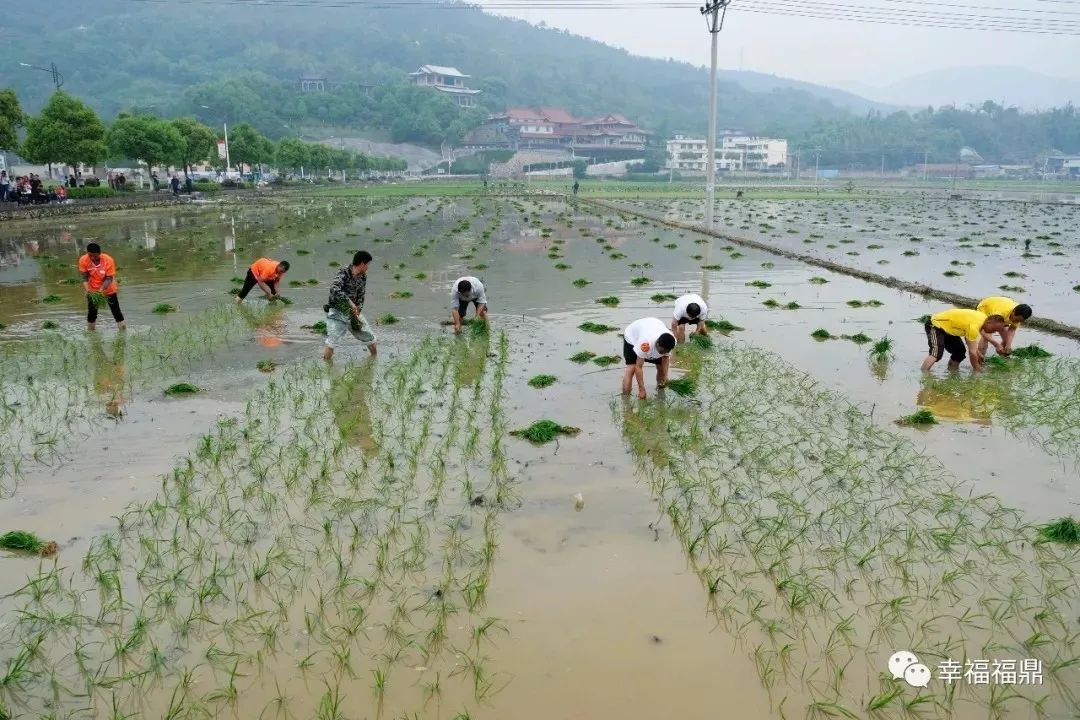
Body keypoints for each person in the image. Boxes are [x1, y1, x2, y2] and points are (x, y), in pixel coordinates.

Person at [323, 251, 377, 361]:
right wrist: (350, 302)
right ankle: (326, 364)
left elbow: (361, 296)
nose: (368, 267)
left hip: (353, 313)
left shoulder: (363, 277)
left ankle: (374, 361)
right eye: (368, 264)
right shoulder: (344, 272)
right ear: (362, 263)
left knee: (370, 337)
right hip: (337, 310)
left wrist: (357, 311)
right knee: (332, 341)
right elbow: (335, 289)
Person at [921, 308, 1005, 373]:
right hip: (936, 324)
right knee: (936, 353)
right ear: (989, 322)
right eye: (994, 329)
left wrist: (978, 353)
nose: (994, 332)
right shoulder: (975, 326)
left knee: (960, 351)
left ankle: (952, 371)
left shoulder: (983, 319)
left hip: (948, 329)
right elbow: (972, 352)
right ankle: (924, 373)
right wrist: (977, 369)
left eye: (996, 331)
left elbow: (969, 341)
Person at [621, 317, 677, 399]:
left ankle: (661, 395)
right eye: (662, 351)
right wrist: (641, 389)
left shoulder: (672, 341)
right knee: (631, 368)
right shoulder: (645, 343)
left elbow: (665, 358)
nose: (664, 353)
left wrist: (665, 376)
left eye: (666, 351)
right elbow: (638, 367)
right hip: (632, 338)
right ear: (657, 344)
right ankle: (625, 400)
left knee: (661, 368)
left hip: (653, 324)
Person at [79, 242, 126, 331]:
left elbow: (109, 278)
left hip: (109, 289)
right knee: (92, 313)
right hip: (92, 290)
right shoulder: (83, 260)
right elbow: (84, 277)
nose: (92, 258)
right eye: (90, 256)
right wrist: (87, 290)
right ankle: (91, 332)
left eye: (95, 256)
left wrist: (101, 290)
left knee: (116, 311)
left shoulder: (108, 260)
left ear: (100, 253)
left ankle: (123, 331)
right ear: (87, 253)